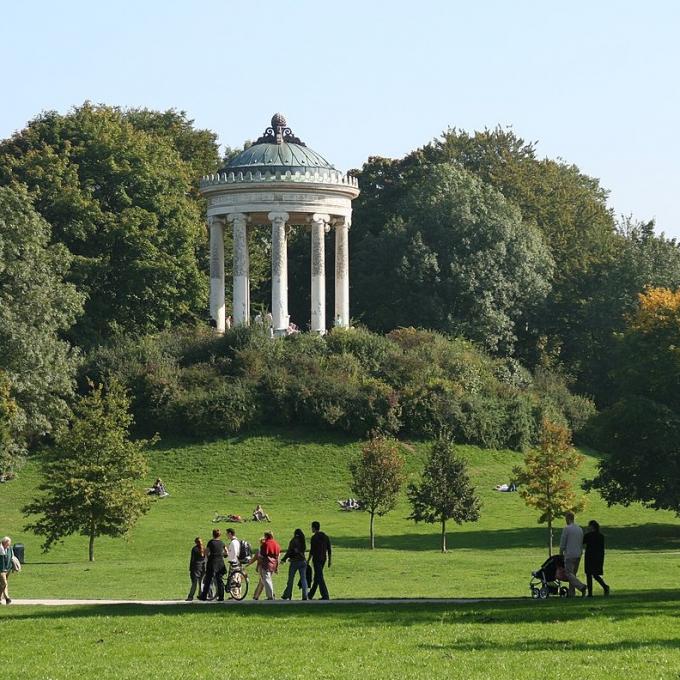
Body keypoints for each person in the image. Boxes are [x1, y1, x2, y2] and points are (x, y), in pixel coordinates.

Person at [559, 512, 587, 597]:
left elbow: (563, 542)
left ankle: (581, 586)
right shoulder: (579, 529)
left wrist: (561, 552)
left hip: (570, 554)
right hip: (578, 554)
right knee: (573, 575)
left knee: (568, 574)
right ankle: (571, 594)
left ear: (568, 519)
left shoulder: (567, 529)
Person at [583, 520, 610, 597]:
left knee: (589, 574)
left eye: (589, 526)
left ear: (592, 527)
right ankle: (605, 586)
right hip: (598, 557)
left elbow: (582, 542)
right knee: (595, 574)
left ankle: (590, 593)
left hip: (590, 556)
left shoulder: (588, 535)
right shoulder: (601, 536)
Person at [198, 528, 227, 601]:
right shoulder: (222, 542)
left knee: (208, 579)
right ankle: (221, 596)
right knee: (219, 580)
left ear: (213, 534)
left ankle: (204, 596)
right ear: (219, 535)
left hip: (212, 562)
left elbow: (206, 552)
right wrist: (222, 555)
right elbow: (226, 552)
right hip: (220, 563)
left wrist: (208, 555)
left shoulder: (211, 542)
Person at [281, 528, 308, 600]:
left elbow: (289, 552)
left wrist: (283, 559)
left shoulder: (293, 541)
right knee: (303, 579)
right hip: (303, 561)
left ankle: (288, 594)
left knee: (291, 579)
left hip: (294, 562)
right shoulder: (303, 541)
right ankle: (305, 595)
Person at [307, 521, 332, 600]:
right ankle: (310, 595)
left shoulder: (314, 538)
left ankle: (325, 595)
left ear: (314, 528)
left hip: (317, 559)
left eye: (312, 527)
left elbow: (312, 551)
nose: (311, 529)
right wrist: (329, 560)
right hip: (323, 559)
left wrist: (308, 560)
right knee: (317, 576)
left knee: (319, 577)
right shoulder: (325, 536)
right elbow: (329, 549)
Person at [259, 531, 281, 600]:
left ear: (266, 536)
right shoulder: (276, 544)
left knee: (267, 580)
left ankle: (270, 596)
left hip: (266, 564)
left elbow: (262, 555)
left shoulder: (265, 544)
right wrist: (277, 566)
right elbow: (278, 556)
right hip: (274, 564)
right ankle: (271, 594)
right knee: (269, 579)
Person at [186, 537, 206, 601]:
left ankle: (190, 596)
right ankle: (200, 595)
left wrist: (190, 569)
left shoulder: (194, 549)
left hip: (195, 567)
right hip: (203, 567)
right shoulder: (204, 548)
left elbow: (192, 560)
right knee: (201, 583)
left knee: (194, 583)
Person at [0, 536, 14, 605]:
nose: (8, 546)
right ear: (4, 542)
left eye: (9, 544)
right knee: (4, 583)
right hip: (1, 570)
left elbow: (12, 558)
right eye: (7, 544)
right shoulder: (0, 548)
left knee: (3, 585)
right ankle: (7, 599)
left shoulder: (10, 549)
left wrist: (13, 567)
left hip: (8, 569)